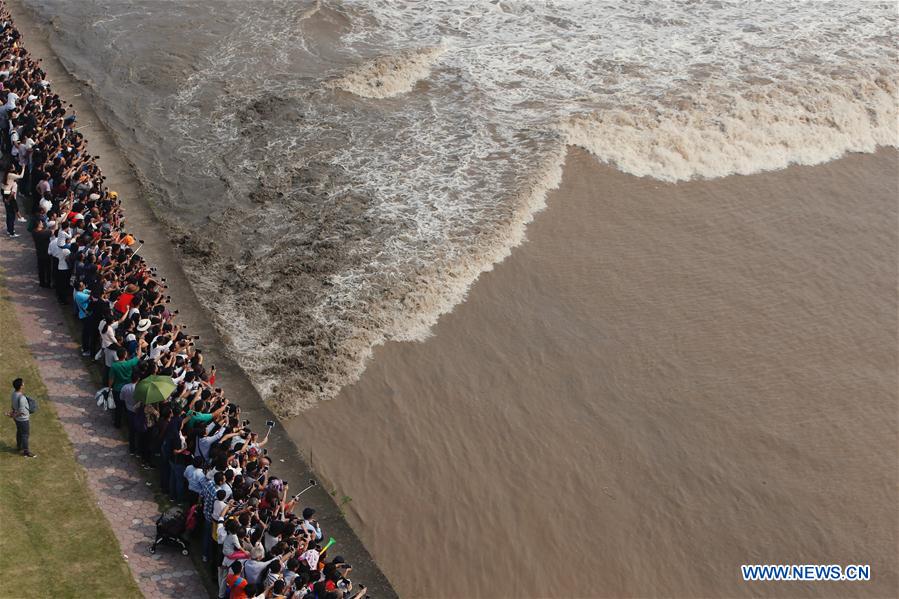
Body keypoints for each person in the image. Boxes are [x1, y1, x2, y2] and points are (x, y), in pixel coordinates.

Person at [7, 378, 35, 457]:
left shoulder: (13, 394)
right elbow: (21, 411)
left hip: (17, 419)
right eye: (23, 383)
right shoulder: (21, 398)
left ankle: (19, 446)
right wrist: (13, 415)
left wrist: (12, 414)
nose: (24, 384)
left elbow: (13, 406)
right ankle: (26, 451)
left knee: (19, 431)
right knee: (25, 434)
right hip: (23, 419)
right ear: (20, 386)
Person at [30, 218, 52, 287]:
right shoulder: (43, 233)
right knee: (48, 269)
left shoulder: (34, 232)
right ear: (38, 225)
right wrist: (57, 222)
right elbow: (52, 231)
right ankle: (48, 283)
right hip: (46, 253)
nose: (42, 224)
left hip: (39, 252)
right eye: (41, 223)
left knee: (41, 269)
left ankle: (42, 283)